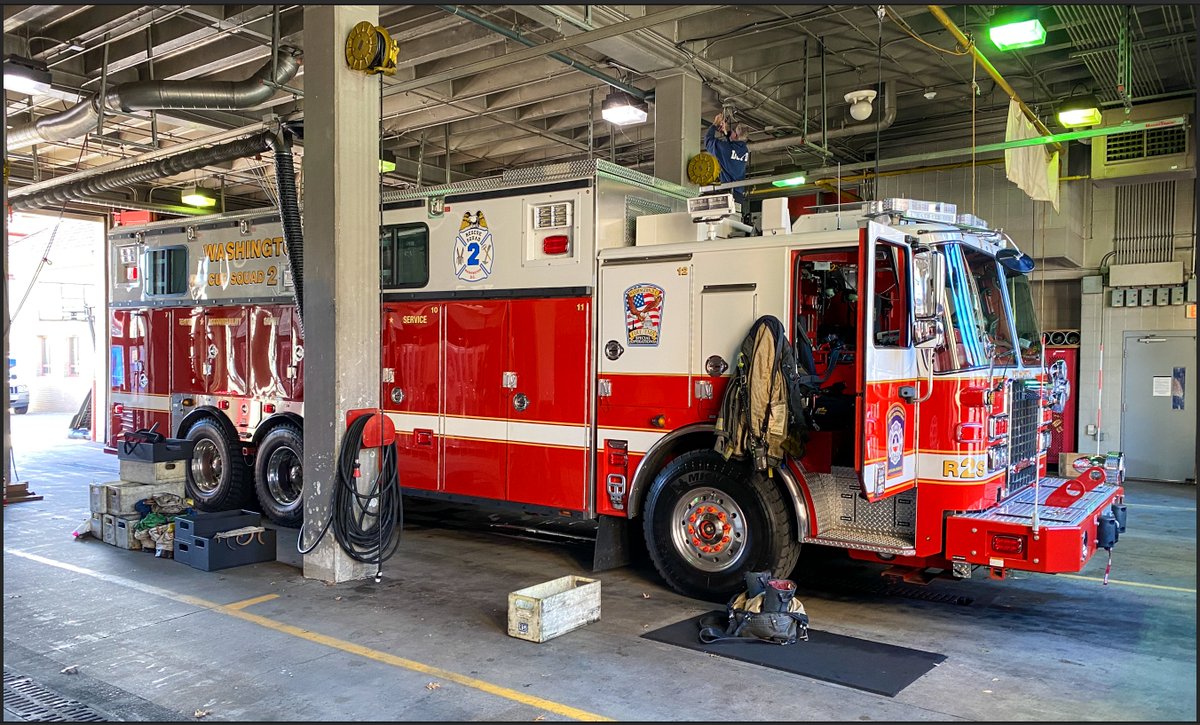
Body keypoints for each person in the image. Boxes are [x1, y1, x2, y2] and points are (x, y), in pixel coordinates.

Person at [704, 112, 750, 206]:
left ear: (735, 135)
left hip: (726, 192)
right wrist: (727, 131)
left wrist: (715, 125)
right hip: (738, 195)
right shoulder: (745, 150)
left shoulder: (725, 148)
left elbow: (708, 141)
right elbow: (733, 146)